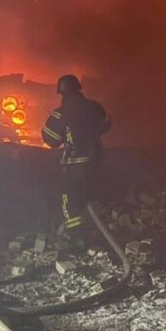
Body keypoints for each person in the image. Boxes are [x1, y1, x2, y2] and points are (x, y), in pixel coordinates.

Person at [41, 74, 111, 245]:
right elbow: (107, 125)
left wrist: (60, 133)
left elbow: (51, 141)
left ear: (62, 93)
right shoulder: (95, 107)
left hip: (76, 165)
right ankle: (99, 230)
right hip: (97, 161)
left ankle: (77, 237)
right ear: (79, 89)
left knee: (69, 199)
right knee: (90, 196)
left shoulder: (60, 114)